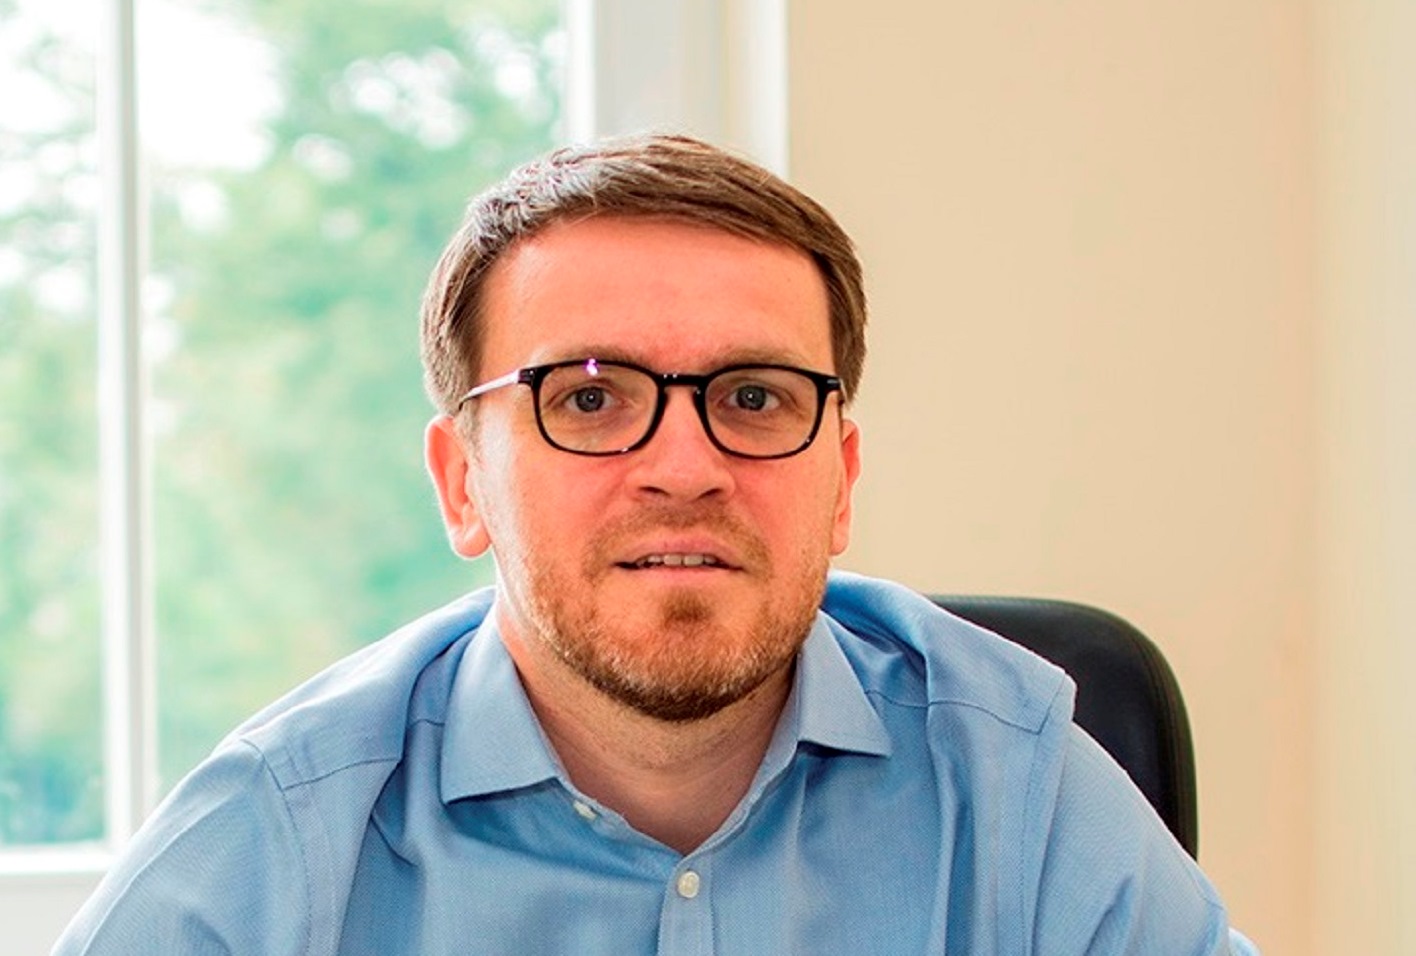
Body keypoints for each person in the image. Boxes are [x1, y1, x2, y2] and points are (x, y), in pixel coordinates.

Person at [54, 134, 1258, 955]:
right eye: (589, 398)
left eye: (754, 397)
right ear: (463, 483)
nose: (686, 465)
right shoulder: (278, 836)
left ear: (840, 479)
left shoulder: (1013, 780)